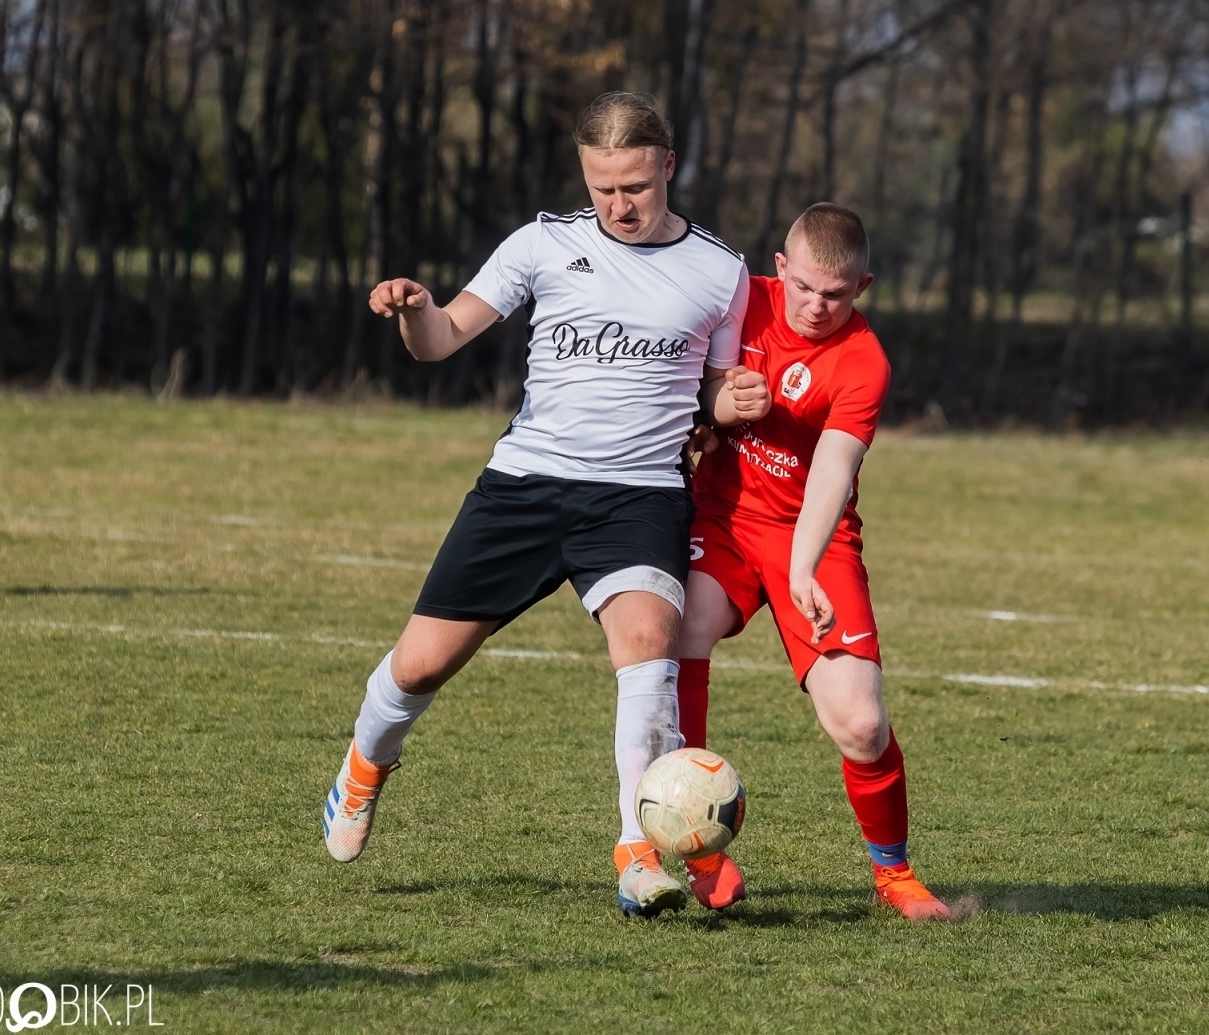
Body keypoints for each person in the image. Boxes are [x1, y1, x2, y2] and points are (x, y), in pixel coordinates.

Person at [320, 92, 772, 920]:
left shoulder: (719, 270)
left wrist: (728, 396)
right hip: (525, 488)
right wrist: (416, 312)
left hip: (637, 497)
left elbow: (711, 387)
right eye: (602, 187)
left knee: (647, 646)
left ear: (668, 165)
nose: (619, 205)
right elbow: (444, 337)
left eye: (634, 185)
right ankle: (362, 768)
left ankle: (639, 854)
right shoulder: (542, 244)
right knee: (420, 665)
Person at [677, 203, 950, 921]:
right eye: (803, 288)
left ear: (861, 288)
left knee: (861, 725)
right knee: (682, 629)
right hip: (723, 519)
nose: (815, 306)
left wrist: (801, 571)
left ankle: (893, 874)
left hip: (811, 535)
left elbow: (833, 471)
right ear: (780, 269)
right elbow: (680, 376)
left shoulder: (864, 362)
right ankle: (698, 847)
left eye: (835, 294)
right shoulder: (740, 301)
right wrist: (716, 404)